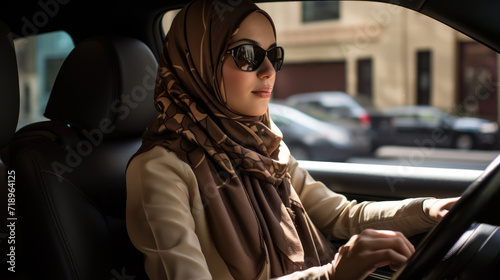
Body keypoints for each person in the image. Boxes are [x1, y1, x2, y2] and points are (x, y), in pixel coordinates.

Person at [125, 0, 458, 279]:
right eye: (247, 54)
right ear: (198, 64)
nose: (269, 70)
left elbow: (340, 216)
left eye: (274, 54)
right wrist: (331, 275)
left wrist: (429, 209)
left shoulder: (266, 146)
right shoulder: (160, 170)